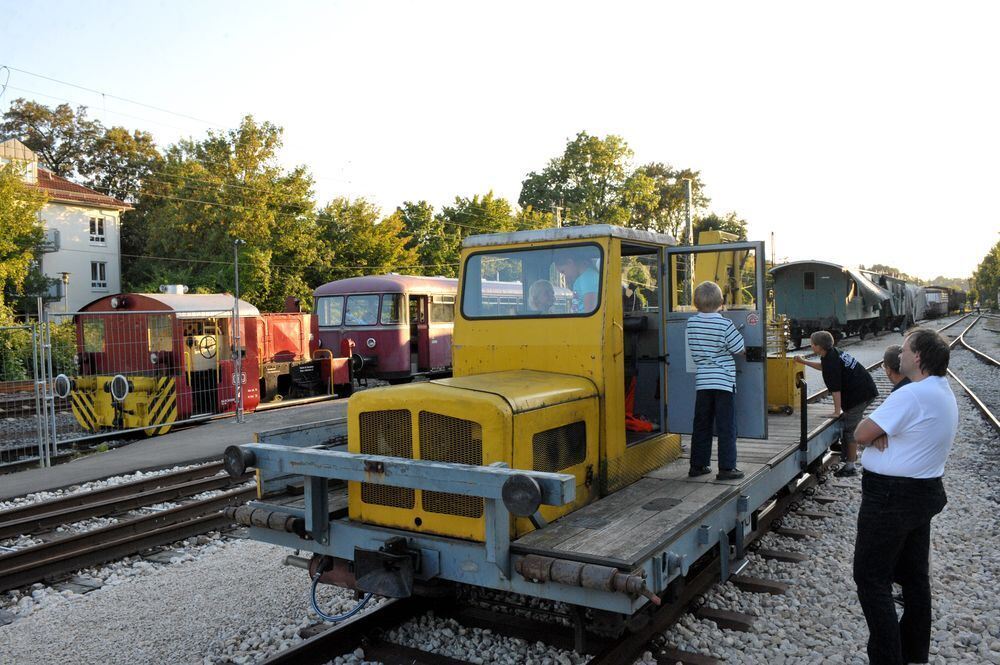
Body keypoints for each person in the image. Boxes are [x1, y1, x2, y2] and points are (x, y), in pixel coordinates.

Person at [851, 328, 957, 665]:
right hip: (921, 493)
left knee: (870, 577)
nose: (900, 355)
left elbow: (860, 433)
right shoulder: (939, 389)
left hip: (891, 497)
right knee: (914, 579)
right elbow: (875, 433)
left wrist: (877, 431)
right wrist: (880, 431)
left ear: (919, 358)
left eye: (906, 349)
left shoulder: (911, 395)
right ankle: (913, 653)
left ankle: (886, 658)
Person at [794, 331, 878, 477]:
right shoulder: (832, 354)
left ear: (819, 347)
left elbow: (835, 390)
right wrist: (804, 362)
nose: (811, 346)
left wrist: (837, 411)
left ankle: (850, 467)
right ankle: (848, 459)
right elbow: (824, 367)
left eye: (812, 344)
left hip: (860, 395)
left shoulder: (831, 361)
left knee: (850, 430)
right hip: (865, 390)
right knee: (848, 425)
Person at [685, 281, 746, 480]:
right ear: (721, 302)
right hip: (723, 382)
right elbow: (739, 349)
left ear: (696, 303)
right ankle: (727, 468)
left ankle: (698, 465)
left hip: (703, 382)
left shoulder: (691, 323)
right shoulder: (724, 323)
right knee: (726, 425)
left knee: (701, 424)